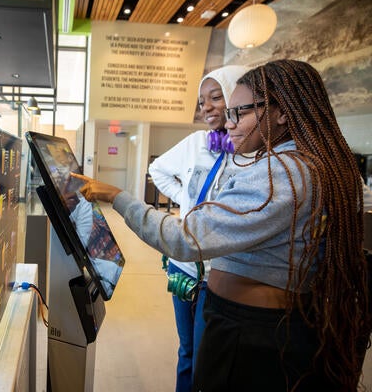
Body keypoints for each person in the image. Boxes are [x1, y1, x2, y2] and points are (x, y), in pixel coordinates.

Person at [73, 59, 370, 391]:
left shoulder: (281, 173)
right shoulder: (302, 164)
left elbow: (185, 238)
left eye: (238, 113)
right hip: (260, 328)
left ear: (282, 112)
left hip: (250, 335)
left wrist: (116, 196)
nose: (228, 124)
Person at [147, 64, 248, 392]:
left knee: (211, 357)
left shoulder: (254, 154)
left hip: (222, 273)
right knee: (188, 350)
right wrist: (187, 203)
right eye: (202, 101)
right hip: (184, 266)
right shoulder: (196, 143)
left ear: (238, 96)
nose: (205, 107)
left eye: (215, 97)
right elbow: (158, 169)